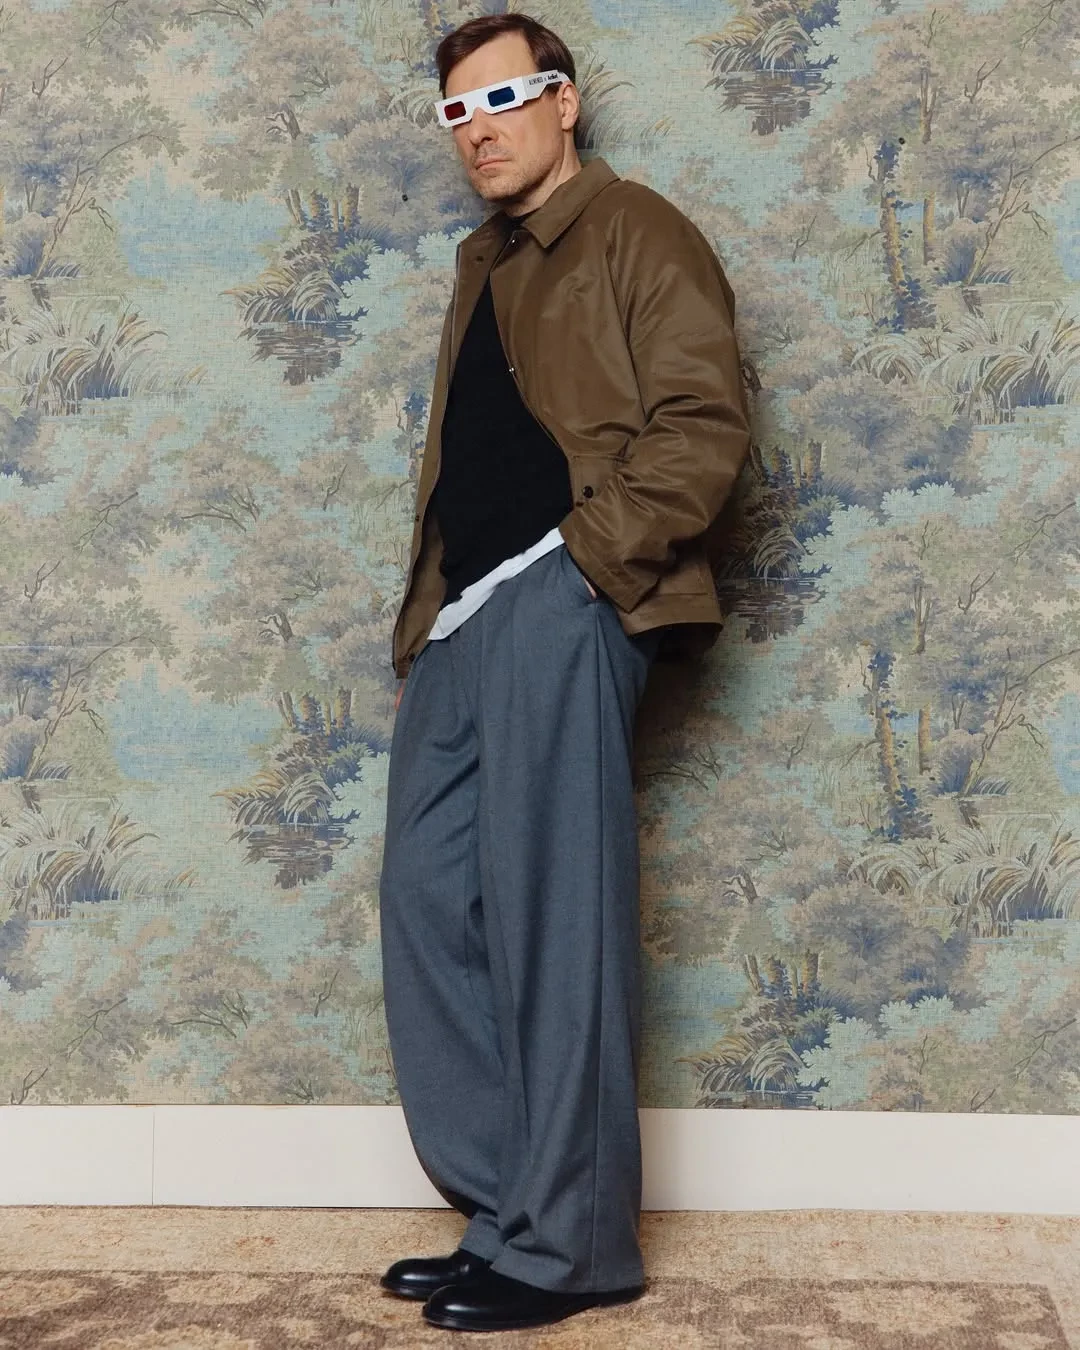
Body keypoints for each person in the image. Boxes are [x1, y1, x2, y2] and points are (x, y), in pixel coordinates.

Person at [377, 11, 751, 1333]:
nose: (478, 129)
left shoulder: (638, 229)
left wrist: (583, 564)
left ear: (565, 101)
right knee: (431, 902)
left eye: (503, 98)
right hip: (462, 620)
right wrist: (429, 618)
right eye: (457, 112)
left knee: (554, 915)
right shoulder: (484, 263)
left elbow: (703, 426)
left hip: (565, 597)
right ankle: (512, 1212)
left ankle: (574, 1246)